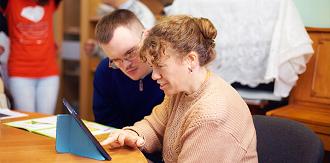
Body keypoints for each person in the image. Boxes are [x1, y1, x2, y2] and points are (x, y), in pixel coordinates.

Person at [101, 15, 258, 162]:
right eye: (152, 67)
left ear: (190, 60)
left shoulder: (211, 117)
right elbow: (154, 126)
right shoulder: (181, 91)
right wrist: (132, 134)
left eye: (160, 67)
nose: (154, 76)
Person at [93, 9, 164, 129]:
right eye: (116, 60)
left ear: (146, 36)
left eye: (130, 52)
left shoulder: (169, 70)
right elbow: (105, 123)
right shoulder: (105, 71)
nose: (126, 65)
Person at [1, 0, 62, 114]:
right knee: (26, 122)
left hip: (48, 73)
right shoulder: (10, 2)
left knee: (46, 122)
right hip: (20, 73)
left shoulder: (50, 2)